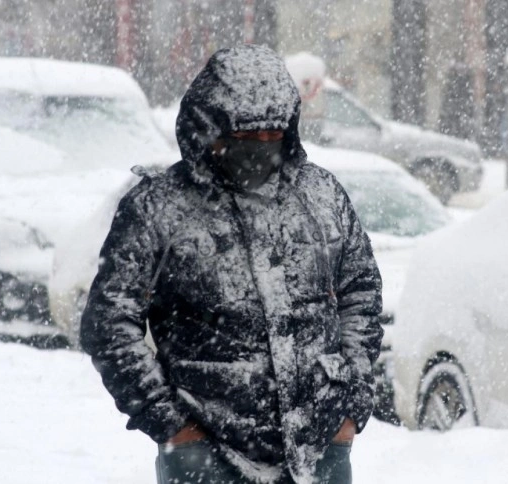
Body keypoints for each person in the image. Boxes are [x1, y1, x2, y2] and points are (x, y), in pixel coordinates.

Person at [79, 44, 383, 484]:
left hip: (319, 449)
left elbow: (361, 293)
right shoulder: (159, 208)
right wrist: (172, 425)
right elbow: (109, 323)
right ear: (208, 128)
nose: (261, 148)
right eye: (245, 138)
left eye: (272, 135)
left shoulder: (320, 195)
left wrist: (350, 405)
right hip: (205, 455)